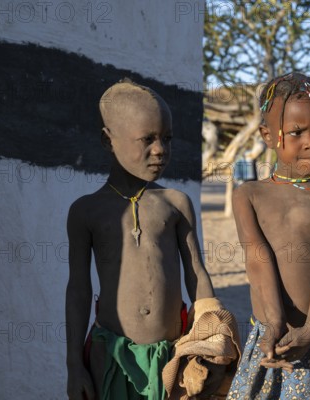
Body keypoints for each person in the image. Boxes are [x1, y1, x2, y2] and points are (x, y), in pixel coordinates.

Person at [65, 79, 232, 400]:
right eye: (148, 139)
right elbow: (78, 289)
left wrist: (211, 344)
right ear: (107, 140)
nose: (160, 150)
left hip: (172, 357)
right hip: (110, 356)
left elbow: (197, 274)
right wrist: (74, 364)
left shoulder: (175, 203)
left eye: (166, 139)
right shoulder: (86, 211)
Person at [226, 72, 310, 399]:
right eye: (296, 132)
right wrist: (273, 322)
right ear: (268, 135)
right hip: (268, 333)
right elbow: (257, 258)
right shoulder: (249, 194)